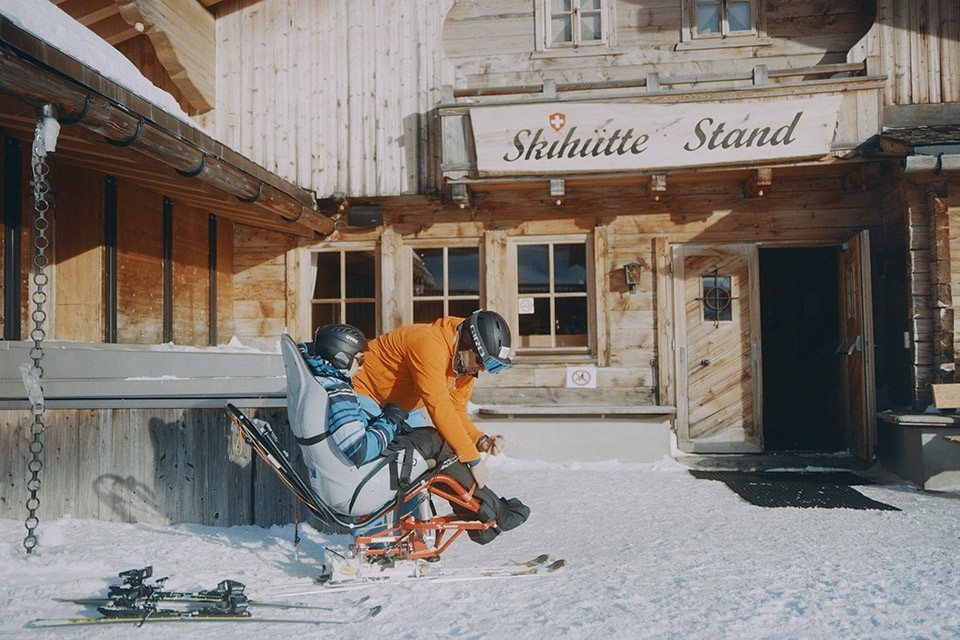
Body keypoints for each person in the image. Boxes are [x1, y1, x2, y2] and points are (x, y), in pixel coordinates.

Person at [305, 321, 528, 544]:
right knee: (384, 462)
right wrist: (471, 459)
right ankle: (372, 540)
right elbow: (439, 407)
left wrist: (479, 440)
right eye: (481, 361)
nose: (481, 369)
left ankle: (408, 536)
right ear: (468, 344)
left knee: (418, 462)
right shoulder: (429, 342)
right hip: (366, 390)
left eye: (490, 367)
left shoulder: (464, 366)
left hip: (401, 405)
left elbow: (456, 410)